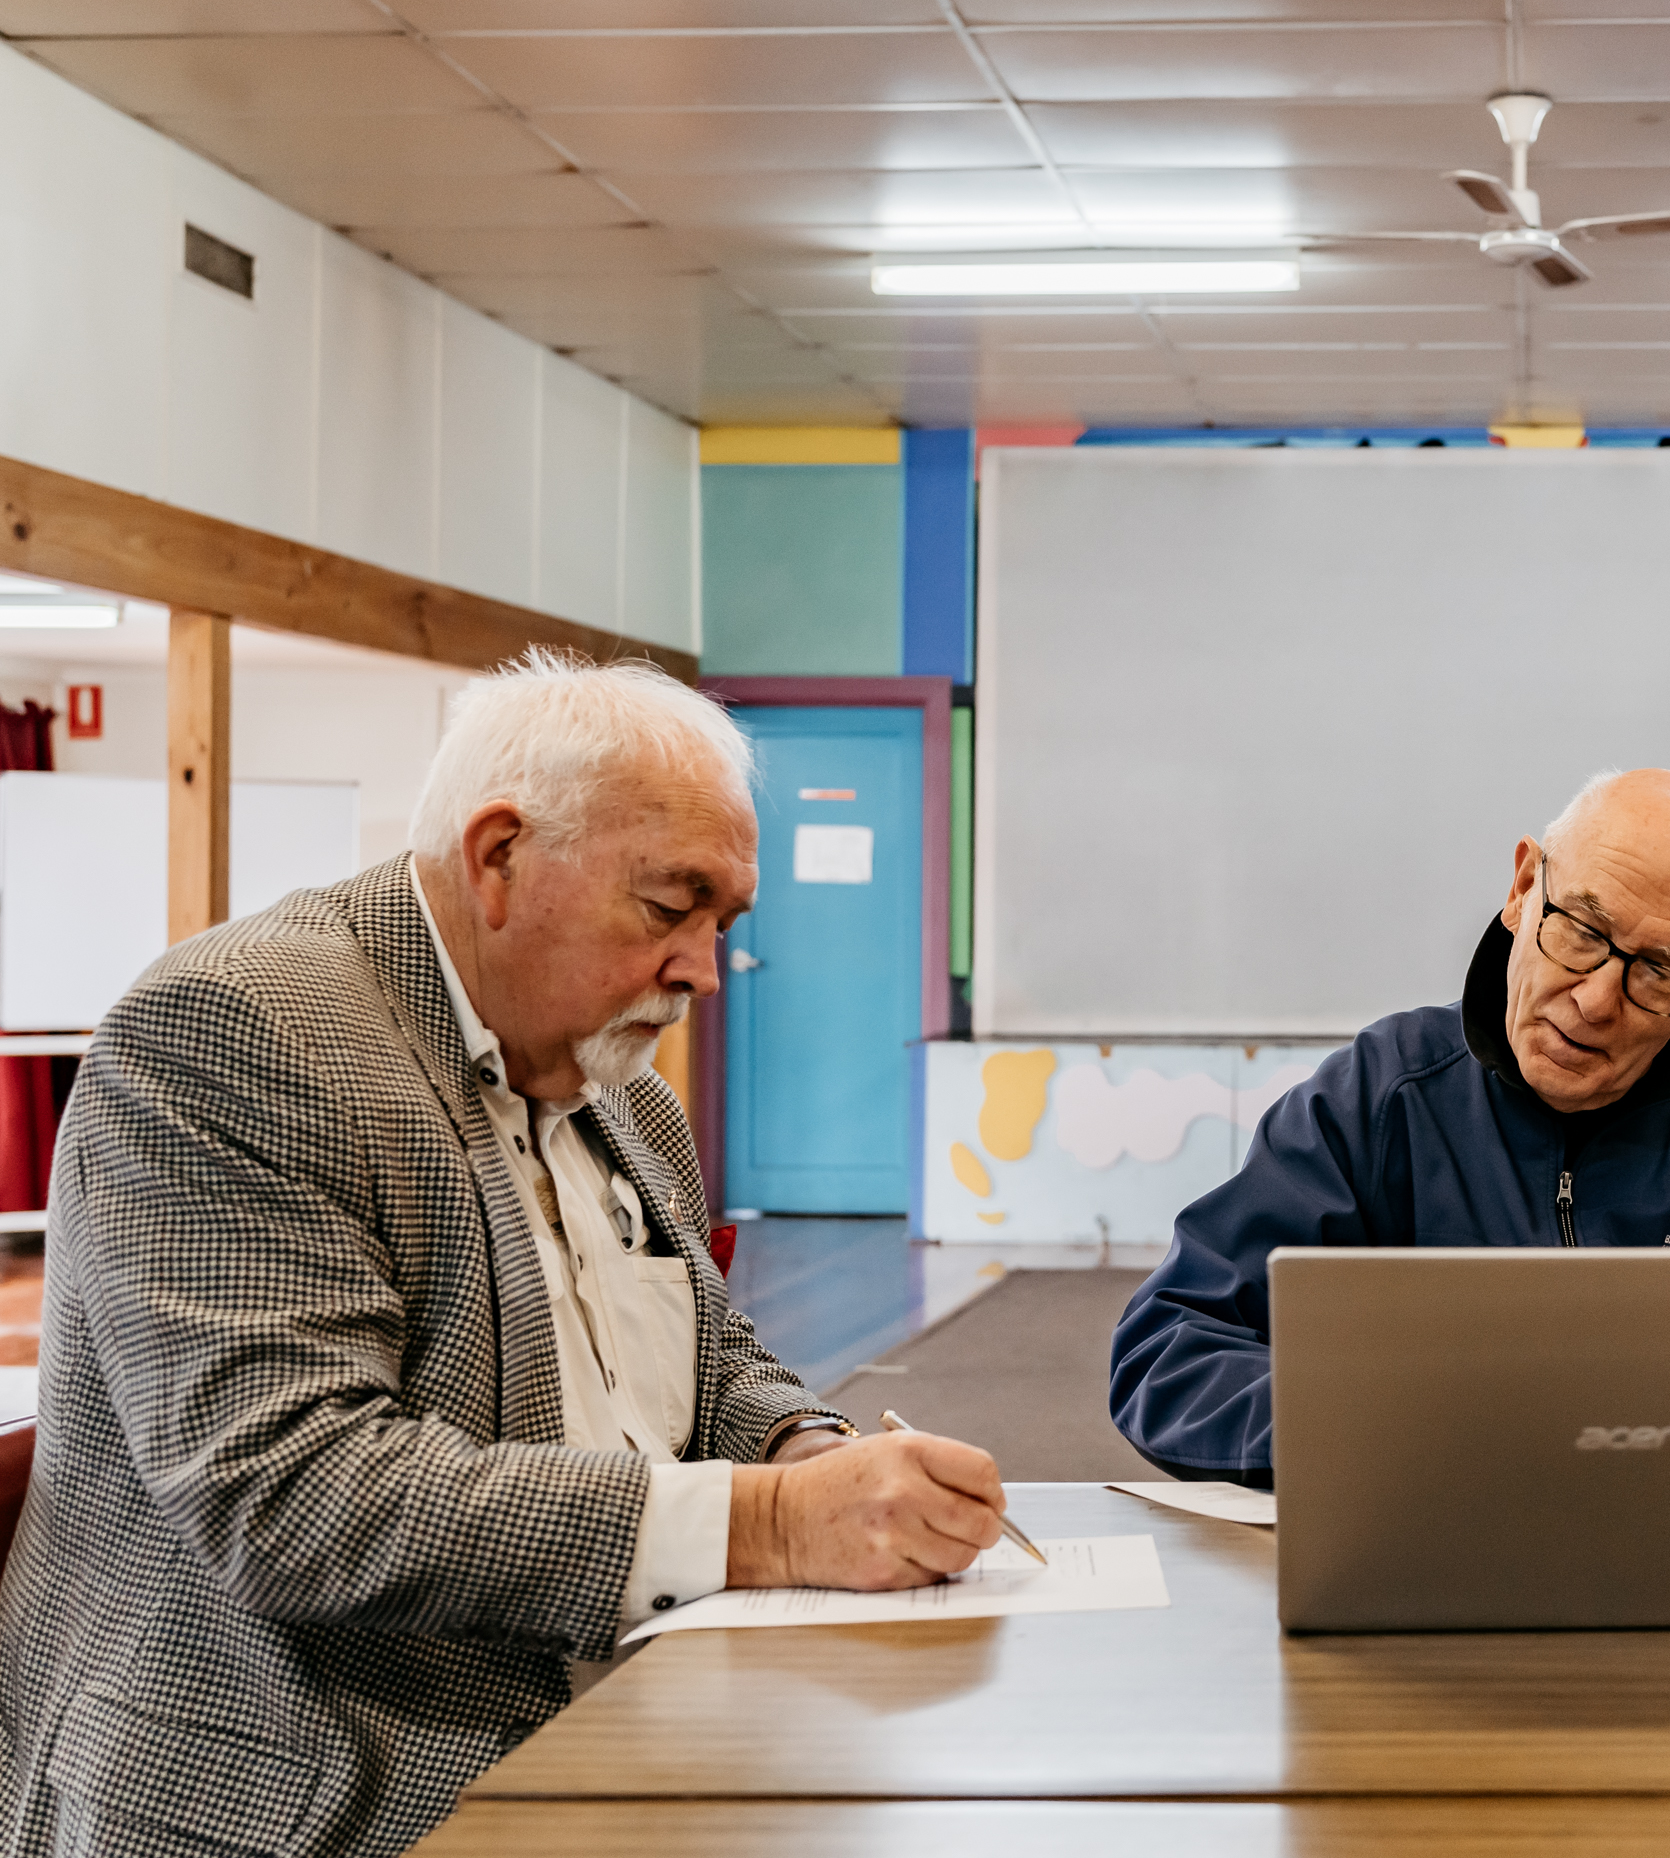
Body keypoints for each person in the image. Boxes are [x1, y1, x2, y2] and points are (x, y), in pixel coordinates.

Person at [0, 653, 1013, 1857]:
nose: (701, 967)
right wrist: (777, 1523)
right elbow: (286, 1493)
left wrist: (807, 1447)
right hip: (314, 1796)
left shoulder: (617, 1083)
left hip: (619, 1714)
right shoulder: (235, 1031)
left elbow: (708, 1354)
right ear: (498, 858)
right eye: (668, 904)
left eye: (723, 922)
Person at [1111, 768, 1670, 1484]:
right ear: (1522, 888)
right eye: (1580, 929)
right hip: (1412, 1534)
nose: (1598, 1001)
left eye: (1661, 972)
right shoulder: (1383, 1096)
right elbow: (1169, 1349)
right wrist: (1371, 1434)